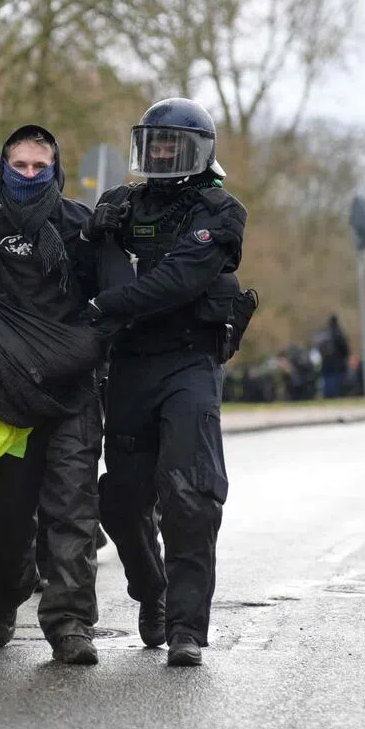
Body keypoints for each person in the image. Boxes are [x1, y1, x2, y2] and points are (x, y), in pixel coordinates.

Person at [80, 98, 254, 667]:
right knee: (121, 499)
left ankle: (185, 627)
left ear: (198, 151)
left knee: (190, 497)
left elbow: (178, 280)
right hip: (128, 365)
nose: (159, 152)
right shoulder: (117, 205)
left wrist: (105, 305)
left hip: (188, 364)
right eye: (153, 142)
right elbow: (89, 267)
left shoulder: (221, 211)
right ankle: (151, 589)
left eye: (172, 144)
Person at [0, 124, 103, 664]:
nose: (29, 175)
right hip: (4, 396)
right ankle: (5, 597)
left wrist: (85, 348)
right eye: (20, 166)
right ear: (4, 169)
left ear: (56, 170)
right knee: (8, 524)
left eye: (40, 167)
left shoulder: (80, 228)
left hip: (72, 392)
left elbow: (112, 299)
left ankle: (70, 623)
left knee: (73, 509)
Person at [315, 315, 350, 399]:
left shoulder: (324, 335)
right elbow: (345, 349)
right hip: (337, 366)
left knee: (328, 385)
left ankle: (328, 396)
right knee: (336, 386)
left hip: (326, 365)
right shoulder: (339, 334)